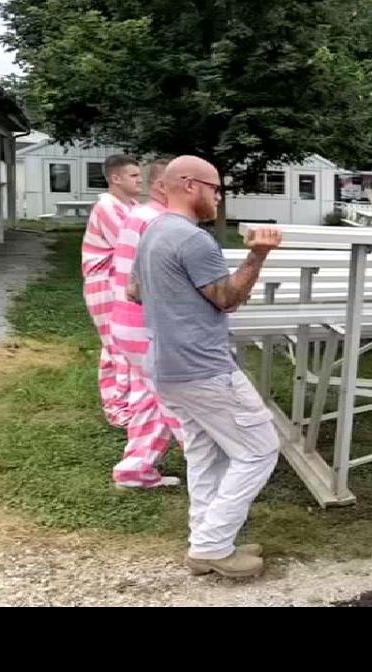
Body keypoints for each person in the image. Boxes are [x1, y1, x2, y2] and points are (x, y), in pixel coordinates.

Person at [130, 156, 282, 577]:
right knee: (260, 449)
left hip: (166, 365)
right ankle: (212, 546)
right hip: (202, 368)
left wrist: (176, 300)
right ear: (190, 185)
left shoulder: (153, 231)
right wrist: (258, 254)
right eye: (215, 188)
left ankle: (209, 540)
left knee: (206, 454)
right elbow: (227, 298)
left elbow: (134, 291)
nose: (218, 197)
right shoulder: (193, 239)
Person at [109, 158, 180, 488]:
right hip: (145, 324)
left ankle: (135, 470)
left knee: (148, 398)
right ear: (161, 186)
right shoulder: (159, 221)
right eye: (183, 183)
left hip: (126, 321)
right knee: (178, 400)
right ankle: (217, 469)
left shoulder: (139, 215)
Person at [81, 154, 142, 427]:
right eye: (133, 175)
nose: (140, 180)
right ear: (115, 178)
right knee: (114, 345)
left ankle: (128, 402)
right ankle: (117, 407)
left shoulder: (133, 206)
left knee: (124, 344)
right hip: (103, 283)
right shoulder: (106, 207)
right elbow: (131, 243)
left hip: (121, 282)